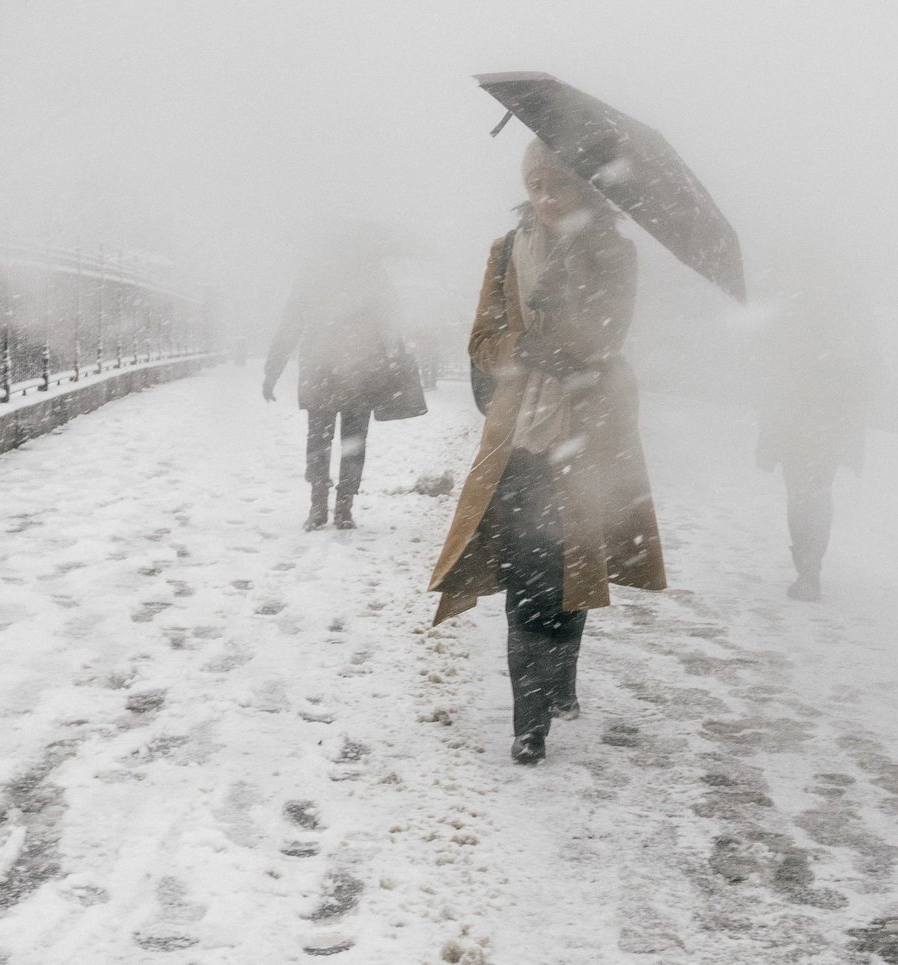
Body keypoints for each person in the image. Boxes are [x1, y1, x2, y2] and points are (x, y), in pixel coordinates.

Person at [427, 139, 667, 765]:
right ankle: (529, 721)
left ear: (586, 187)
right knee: (529, 572)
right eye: (536, 184)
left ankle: (561, 682)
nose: (545, 196)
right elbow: (482, 341)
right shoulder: (506, 251)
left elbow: (612, 332)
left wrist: (571, 310)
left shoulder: (616, 253)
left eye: (558, 184)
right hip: (519, 437)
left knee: (573, 565)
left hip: (591, 433)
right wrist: (522, 348)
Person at [752, 248, 884, 601]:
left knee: (802, 493)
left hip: (809, 412)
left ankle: (808, 569)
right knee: (814, 492)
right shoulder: (846, 304)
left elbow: (775, 361)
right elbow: (869, 366)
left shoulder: (800, 303)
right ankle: (810, 568)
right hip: (823, 414)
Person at [262, 232, 403, 531]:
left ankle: (318, 505)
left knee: (318, 440)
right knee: (353, 441)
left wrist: (272, 371)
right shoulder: (372, 271)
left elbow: (290, 325)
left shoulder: (312, 272)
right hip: (361, 370)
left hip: (322, 370)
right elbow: (391, 317)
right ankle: (344, 507)